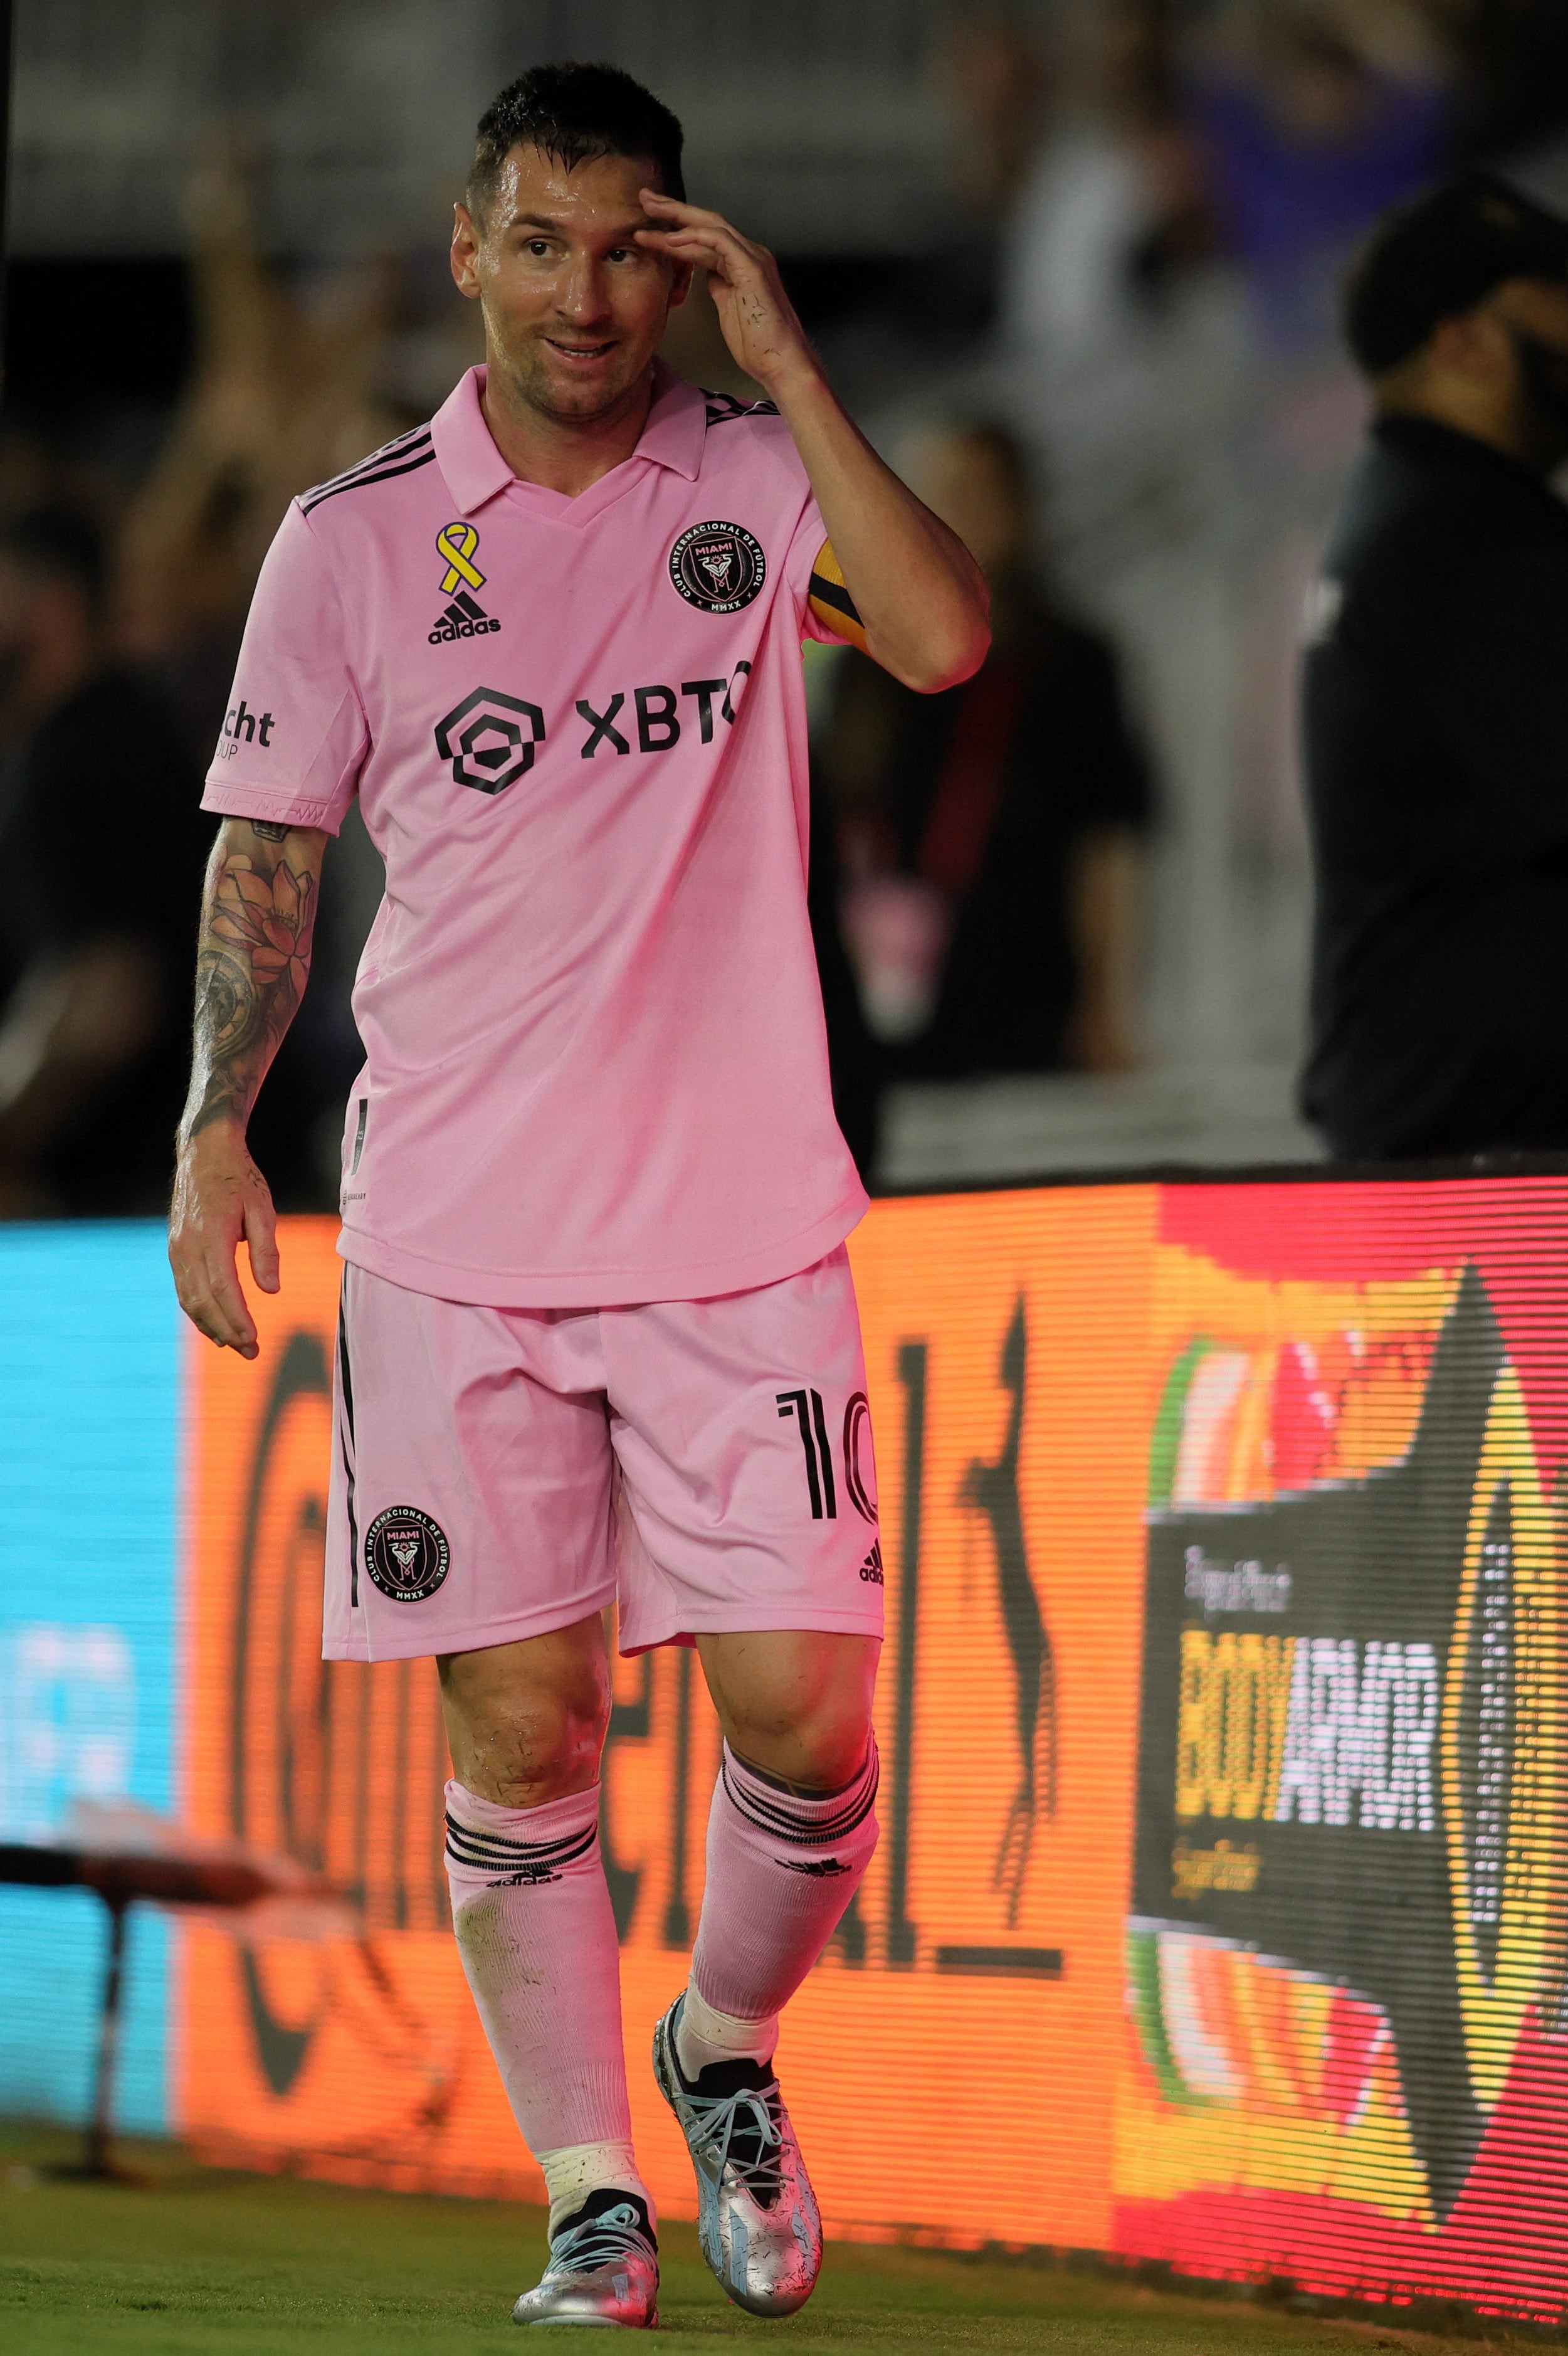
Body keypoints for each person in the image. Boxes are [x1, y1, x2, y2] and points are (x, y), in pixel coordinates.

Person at [167, 61, 987, 2334]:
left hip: (739, 1225)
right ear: (469, 253)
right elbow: (264, 854)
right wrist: (214, 1121)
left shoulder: (752, 482)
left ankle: (720, 2039)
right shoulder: (348, 540)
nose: (585, 295)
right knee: (518, 1730)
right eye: (540, 244)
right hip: (455, 1231)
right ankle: (587, 2197)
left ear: (686, 265)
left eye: (631, 250)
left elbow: (940, 638)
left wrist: (793, 368)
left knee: (805, 1713)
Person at [1301, 174, 1568, 1157]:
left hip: (1439, 1129)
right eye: (1557, 287)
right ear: (1462, 342)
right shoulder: (1471, 540)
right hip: (1485, 1167)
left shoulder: (1412, 513)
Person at [821, 423, 1150, 1087]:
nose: (949, 511)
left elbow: (1105, 844)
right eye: (930, 493)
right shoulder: (867, 655)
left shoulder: (1071, 661)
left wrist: (1102, 1005)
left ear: (1018, 509)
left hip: (1024, 999)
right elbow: (832, 818)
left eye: (972, 493)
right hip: (880, 995)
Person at [0, 509, 212, 1216]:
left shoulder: (81, 760)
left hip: (132, 1204)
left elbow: (109, 997)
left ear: (53, 608)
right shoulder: (123, 727)